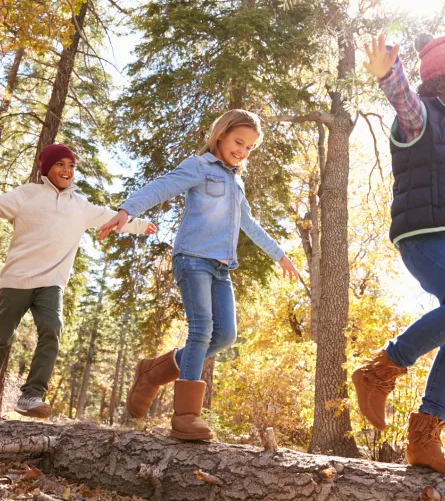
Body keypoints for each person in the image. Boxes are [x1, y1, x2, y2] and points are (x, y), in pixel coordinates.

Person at [98, 109, 299, 440]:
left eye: (250, 147)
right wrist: (126, 210)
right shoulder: (199, 166)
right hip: (192, 258)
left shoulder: (236, 182)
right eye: (238, 142)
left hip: (221, 266)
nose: (242, 151)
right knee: (202, 328)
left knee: (225, 335)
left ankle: (153, 372)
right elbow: (161, 187)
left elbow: (248, 223)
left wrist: (280, 255)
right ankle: (186, 416)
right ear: (220, 135)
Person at [0, 143, 156, 418]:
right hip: (17, 279)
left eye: (71, 166)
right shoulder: (27, 195)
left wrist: (139, 225)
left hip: (51, 283)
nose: (67, 170)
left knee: (52, 329)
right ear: (47, 168)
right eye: (60, 164)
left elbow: (111, 217)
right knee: (0, 338)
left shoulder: (80, 206)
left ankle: (31, 395)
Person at [352, 34, 445, 473]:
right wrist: (388, 74)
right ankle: (379, 371)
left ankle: (424, 438)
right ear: (442, 80)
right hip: (426, 235)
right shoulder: (423, 117)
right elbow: (403, 101)